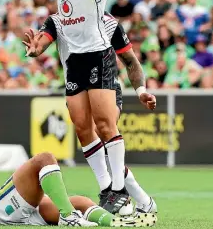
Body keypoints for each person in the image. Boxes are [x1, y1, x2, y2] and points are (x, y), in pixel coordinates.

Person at [4, 0, 130, 213]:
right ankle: (106, 189)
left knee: (105, 124)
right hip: (74, 61)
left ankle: (119, 189)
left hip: (99, 55)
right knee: (81, 126)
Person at [24, 11, 158, 215]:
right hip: (76, 85)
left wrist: (141, 91)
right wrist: (36, 50)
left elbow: (131, 61)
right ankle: (131, 197)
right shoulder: (59, 21)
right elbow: (42, 42)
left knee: (102, 129)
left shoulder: (109, 23)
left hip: (107, 85)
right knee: (85, 133)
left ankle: (119, 194)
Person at [0, 152, 157, 226]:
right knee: (44, 160)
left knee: (78, 200)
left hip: (8, 208)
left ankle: (115, 224)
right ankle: (69, 220)